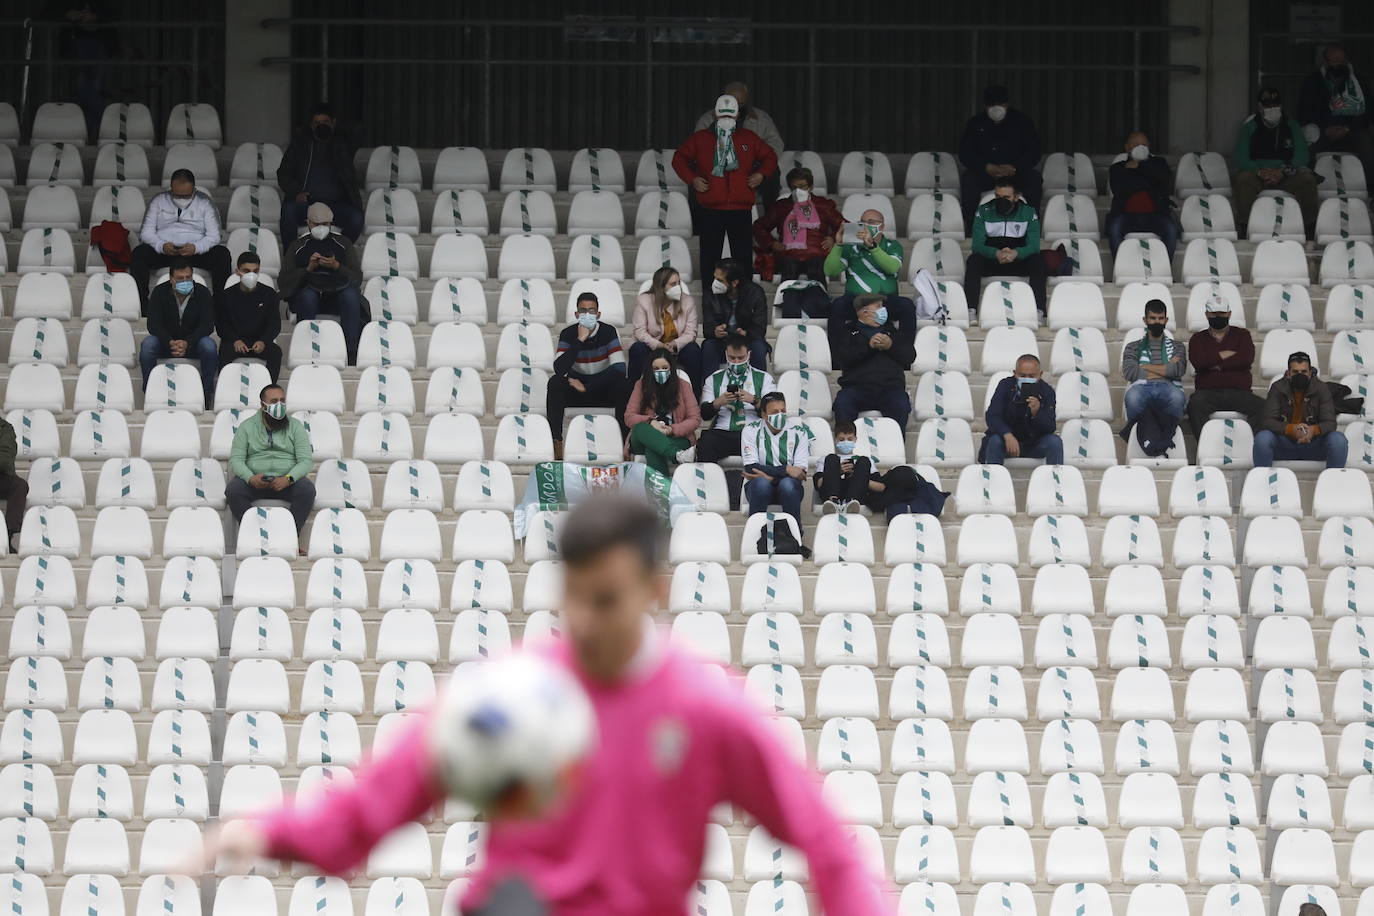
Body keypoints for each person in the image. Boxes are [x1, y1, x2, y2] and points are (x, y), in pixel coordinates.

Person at [193, 494, 892, 916]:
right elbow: (373, 806)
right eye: (574, 593)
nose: (584, 618)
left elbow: (828, 844)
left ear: (657, 589)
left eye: (607, 598)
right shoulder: (508, 691)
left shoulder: (708, 709)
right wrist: (266, 832)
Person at [674, 94, 779, 294]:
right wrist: (693, 179)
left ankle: (745, 300)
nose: (726, 120)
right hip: (710, 208)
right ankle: (710, 302)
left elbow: (770, 157)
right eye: (722, 116)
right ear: (714, 114)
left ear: (738, 114)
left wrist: (760, 174)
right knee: (709, 259)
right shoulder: (701, 139)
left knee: (743, 259)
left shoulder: (749, 138)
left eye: (730, 116)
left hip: (740, 208)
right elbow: (679, 159)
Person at [130, 168, 231, 309]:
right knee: (139, 253)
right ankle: (142, 305)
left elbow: (214, 236)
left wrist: (196, 247)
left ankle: (219, 306)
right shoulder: (158, 201)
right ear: (171, 188)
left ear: (194, 189)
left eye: (186, 196)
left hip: (194, 252)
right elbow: (146, 232)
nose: (181, 199)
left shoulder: (205, 202)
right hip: (165, 251)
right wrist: (161, 245)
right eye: (177, 195)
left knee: (222, 254)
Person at [279, 202, 366, 366]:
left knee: (351, 295)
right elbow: (284, 281)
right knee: (308, 296)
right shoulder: (297, 246)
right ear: (308, 223)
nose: (321, 227)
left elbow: (356, 277)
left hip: (337, 295)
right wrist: (308, 269)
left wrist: (337, 266)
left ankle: (351, 352)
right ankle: (306, 349)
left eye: (325, 224)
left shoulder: (343, 243)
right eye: (316, 224)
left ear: (331, 224)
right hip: (308, 296)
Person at [547, 292, 630, 458]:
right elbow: (559, 368)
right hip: (576, 389)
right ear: (576, 314)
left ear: (598, 314)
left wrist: (588, 387)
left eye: (591, 311)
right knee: (555, 382)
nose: (587, 315)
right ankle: (556, 443)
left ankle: (624, 444)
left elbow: (620, 369)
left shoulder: (608, 332)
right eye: (583, 311)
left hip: (602, 388)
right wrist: (579, 340)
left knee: (624, 385)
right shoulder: (568, 334)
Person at [227, 384, 316, 535]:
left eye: (282, 400)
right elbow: (236, 459)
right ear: (263, 405)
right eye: (274, 401)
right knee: (233, 491)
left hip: (287, 481)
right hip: (255, 481)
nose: (279, 405)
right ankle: (254, 534)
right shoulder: (246, 427)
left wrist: (288, 479)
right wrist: (250, 478)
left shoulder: (295, 426)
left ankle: (290, 536)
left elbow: (306, 460)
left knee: (307, 490)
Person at [1234, 87, 1319, 236]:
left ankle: (1309, 229)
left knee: (1307, 180)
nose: (1272, 109)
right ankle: (1245, 227)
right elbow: (1240, 157)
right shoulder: (1249, 127)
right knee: (1243, 179)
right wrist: (1259, 171)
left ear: (1281, 106)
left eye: (1276, 105)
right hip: (1259, 175)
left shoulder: (1292, 126)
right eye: (1268, 105)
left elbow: (1302, 155)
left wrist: (1281, 172)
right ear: (1259, 107)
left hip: (1286, 173)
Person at [276, 102, 364, 243]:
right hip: (307, 205)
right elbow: (283, 174)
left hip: (336, 205)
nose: (321, 126)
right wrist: (296, 193)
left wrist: (338, 133)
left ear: (333, 123)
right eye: (316, 123)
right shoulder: (300, 144)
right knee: (288, 211)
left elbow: (358, 131)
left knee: (356, 218)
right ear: (311, 125)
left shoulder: (344, 144)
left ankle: (337, 254)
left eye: (325, 122)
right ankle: (290, 259)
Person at [829, 293, 916, 431]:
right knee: (843, 401)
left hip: (890, 389)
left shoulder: (892, 331)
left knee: (901, 403)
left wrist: (890, 346)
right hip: (856, 389)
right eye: (879, 306)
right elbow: (841, 358)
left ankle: (896, 448)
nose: (884, 310)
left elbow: (910, 356)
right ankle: (845, 446)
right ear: (864, 312)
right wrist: (867, 347)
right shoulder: (848, 332)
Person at [958, 84, 1043, 223]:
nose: (996, 108)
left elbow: (1034, 152)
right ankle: (970, 226)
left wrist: (1016, 167)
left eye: (1001, 104)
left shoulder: (1022, 122)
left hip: (1015, 174)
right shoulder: (975, 123)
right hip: (985, 174)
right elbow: (965, 153)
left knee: (1034, 178)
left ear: (1007, 104)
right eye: (992, 104)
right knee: (969, 179)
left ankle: (1033, 223)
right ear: (985, 106)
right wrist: (985, 167)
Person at [964, 175, 1047, 314]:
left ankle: (1039, 310)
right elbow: (977, 246)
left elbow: (1034, 246)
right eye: (997, 197)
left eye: (1006, 198)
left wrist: (1016, 253)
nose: (1001, 201)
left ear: (1016, 197)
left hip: (1017, 261)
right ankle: (970, 309)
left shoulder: (1029, 212)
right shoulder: (983, 211)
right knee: (973, 261)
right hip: (993, 260)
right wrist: (996, 253)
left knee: (1037, 261)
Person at [140, 260, 218, 408]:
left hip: (193, 344)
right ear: (171, 279)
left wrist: (187, 342)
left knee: (209, 346)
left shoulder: (203, 293)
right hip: (166, 343)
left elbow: (207, 326)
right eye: (180, 278)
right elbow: (153, 325)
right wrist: (170, 341)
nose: (185, 281)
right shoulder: (159, 292)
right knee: (148, 345)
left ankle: (206, 393)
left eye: (188, 277)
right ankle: (149, 391)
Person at [693, 80, 786, 201]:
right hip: (718, 166)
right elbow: (697, 147)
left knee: (771, 172)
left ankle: (771, 216)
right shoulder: (708, 119)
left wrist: (761, 167)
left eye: (741, 103)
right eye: (733, 102)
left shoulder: (761, 118)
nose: (737, 107)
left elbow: (776, 143)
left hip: (753, 167)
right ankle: (699, 218)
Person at [1186, 295, 1264, 438]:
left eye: (1222, 313)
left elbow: (1246, 359)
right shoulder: (1197, 339)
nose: (1218, 317)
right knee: (1194, 405)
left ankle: (1251, 446)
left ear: (1229, 314)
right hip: (1208, 393)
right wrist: (1226, 355)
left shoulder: (1243, 335)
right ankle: (1205, 446)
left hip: (1239, 393)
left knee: (1263, 408)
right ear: (1207, 314)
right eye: (1214, 314)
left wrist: (1213, 362)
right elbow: (1199, 362)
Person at [1254, 352, 1348, 469]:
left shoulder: (1321, 388)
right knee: (1263, 439)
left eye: (1303, 372)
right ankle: (1262, 483)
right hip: (1285, 443)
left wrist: (1313, 430)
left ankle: (1332, 485)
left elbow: (1330, 423)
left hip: (1313, 444)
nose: (1300, 375)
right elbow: (1267, 421)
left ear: (1309, 373)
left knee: (1338, 440)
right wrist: (1291, 429)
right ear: (1288, 373)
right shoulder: (1278, 387)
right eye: (1295, 372)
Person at [753, 166, 842, 281]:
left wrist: (833, 238)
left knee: (816, 270)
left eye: (802, 186)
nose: (798, 190)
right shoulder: (781, 207)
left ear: (810, 187)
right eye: (794, 187)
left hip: (817, 253)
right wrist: (772, 243)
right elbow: (759, 227)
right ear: (789, 188)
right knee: (789, 271)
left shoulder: (824, 205)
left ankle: (818, 298)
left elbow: (843, 226)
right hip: (788, 253)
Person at [696, 337, 775, 465]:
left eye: (741, 358)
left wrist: (754, 400)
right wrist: (718, 402)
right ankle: (710, 483)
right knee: (706, 443)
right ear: (726, 355)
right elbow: (704, 415)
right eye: (732, 358)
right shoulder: (713, 379)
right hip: (723, 433)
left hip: (753, 433)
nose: (736, 362)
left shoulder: (764, 378)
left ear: (749, 354)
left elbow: (772, 412)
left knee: (768, 443)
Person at [1298, 42, 1373, 176]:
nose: (1338, 65)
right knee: (1304, 153)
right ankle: (1309, 188)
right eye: (1334, 61)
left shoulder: (1358, 81)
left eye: (1341, 61)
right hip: (1322, 130)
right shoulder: (1312, 82)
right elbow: (1304, 112)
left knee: (1367, 149)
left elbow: (1367, 113)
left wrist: (1347, 128)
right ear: (1326, 63)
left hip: (1351, 129)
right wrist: (1325, 129)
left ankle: (1370, 189)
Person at [822, 207, 912, 317]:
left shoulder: (893, 245)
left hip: (885, 299)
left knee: (907, 305)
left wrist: (872, 247)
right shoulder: (850, 246)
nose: (866, 226)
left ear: (882, 227)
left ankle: (903, 335)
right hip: (855, 300)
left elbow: (892, 268)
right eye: (862, 223)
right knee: (838, 305)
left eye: (871, 222)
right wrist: (838, 244)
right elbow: (830, 271)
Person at [624, 348, 701, 475]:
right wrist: (651, 422)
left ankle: (658, 494)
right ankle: (677, 455)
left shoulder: (683, 386)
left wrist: (671, 429)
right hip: (644, 436)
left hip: (676, 437)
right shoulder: (641, 385)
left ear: (672, 368)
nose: (661, 372)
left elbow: (695, 419)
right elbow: (629, 417)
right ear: (650, 370)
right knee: (640, 428)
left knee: (653, 449)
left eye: (665, 368)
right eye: (656, 369)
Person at [742, 392, 812, 529]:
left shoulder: (799, 432)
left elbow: (799, 474)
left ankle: (795, 538)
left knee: (787, 485)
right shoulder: (750, 430)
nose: (780, 415)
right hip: (758, 487)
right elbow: (751, 468)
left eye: (783, 411)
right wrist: (786, 469)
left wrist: (771, 478)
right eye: (774, 412)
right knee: (761, 484)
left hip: (789, 488)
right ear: (763, 414)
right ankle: (754, 536)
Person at [628, 266, 702, 392]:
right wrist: (658, 345)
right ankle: (632, 395)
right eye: (673, 284)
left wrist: (674, 344)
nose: (678, 287)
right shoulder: (644, 300)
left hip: (677, 349)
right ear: (661, 287)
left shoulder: (687, 301)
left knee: (693, 350)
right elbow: (640, 332)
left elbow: (691, 333)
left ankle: (695, 396)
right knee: (637, 348)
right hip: (652, 347)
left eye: (679, 283)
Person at [1106, 130, 1178, 258]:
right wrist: (1149, 180)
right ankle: (1119, 268)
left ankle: (1165, 269)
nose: (1140, 148)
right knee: (1114, 228)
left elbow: (1164, 179)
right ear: (1127, 147)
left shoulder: (1159, 163)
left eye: (1144, 145)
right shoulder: (1117, 168)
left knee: (1171, 229)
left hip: (1155, 216)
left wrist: (1139, 167)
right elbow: (1119, 188)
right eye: (1135, 145)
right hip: (1126, 216)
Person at [982, 354, 1063, 465]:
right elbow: (992, 416)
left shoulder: (1047, 391)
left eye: (1031, 376)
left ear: (1040, 375)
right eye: (1023, 375)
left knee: (1054, 442)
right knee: (994, 441)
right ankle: (993, 480)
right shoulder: (1005, 385)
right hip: (1006, 442)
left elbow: (1050, 427)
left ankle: (1057, 479)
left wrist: (1037, 412)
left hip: (1033, 444)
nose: (1027, 379)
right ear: (1015, 373)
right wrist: (1007, 434)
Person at [216, 251, 283, 383]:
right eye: (246, 271)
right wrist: (235, 340)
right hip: (234, 343)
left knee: (276, 352)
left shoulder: (269, 294)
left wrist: (263, 341)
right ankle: (225, 388)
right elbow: (221, 324)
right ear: (237, 271)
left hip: (260, 342)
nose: (251, 275)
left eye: (255, 271)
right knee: (224, 353)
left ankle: (269, 388)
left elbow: (274, 324)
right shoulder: (226, 295)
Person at [700, 257, 769, 374]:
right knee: (708, 346)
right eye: (714, 278)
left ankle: (759, 389)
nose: (715, 283)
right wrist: (715, 331)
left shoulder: (755, 293)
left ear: (734, 282)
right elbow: (707, 328)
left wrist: (746, 333)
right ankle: (708, 389)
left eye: (720, 280)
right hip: (723, 341)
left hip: (747, 341)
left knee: (759, 347)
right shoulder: (710, 293)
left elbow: (760, 328)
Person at [1123, 299, 1187, 423]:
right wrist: (1166, 368)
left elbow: (1177, 371)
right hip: (1141, 387)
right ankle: (1139, 435)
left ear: (1166, 320)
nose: (1157, 322)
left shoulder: (1177, 346)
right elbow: (1130, 372)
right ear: (1145, 320)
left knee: (1177, 398)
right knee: (1133, 397)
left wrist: (1144, 366)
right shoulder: (1133, 347)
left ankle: (1167, 435)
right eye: (1152, 318)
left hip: (1170, 387)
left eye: (1160, 318)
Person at [814, 419, 871, 514]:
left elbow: (880, 487)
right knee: (832, 458)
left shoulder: (866, 461)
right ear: (835, 439)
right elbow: (818, 484)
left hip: (857, 496)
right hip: (830, 494)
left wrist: (858, 476)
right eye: (841, 439)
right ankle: (833, 501)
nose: (845, 442)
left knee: (864, 461)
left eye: (849, 439)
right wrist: (837, 472)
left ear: (855, 439)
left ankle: (851, 502)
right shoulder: (824, 460)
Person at [0, 415, 29, 552]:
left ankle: (10, 534)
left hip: (2, 477)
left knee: (20, 486)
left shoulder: (5, 429)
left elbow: (5, 459)